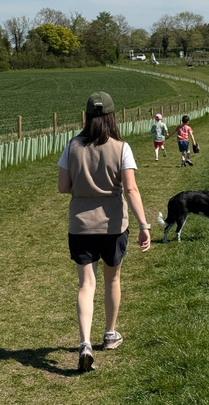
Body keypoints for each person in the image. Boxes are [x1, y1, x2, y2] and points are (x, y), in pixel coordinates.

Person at [58, 91, 151, 372]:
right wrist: (144, 225)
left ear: (87, 116)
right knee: (112, 280)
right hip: (112, 225)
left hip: (81, 224)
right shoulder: (121, 148)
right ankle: (110, 334)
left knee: (86, 284)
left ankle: (84, 342)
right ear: (112, 116)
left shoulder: (72, 146)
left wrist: (84, 188)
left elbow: (63, 186)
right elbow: (131, 188)